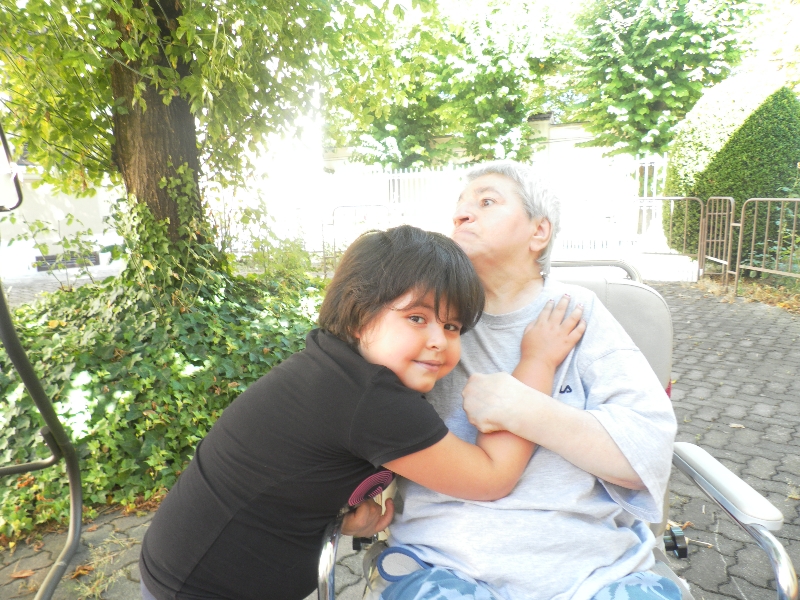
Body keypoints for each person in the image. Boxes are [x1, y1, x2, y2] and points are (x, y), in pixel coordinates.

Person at [138, 225, 584, 600]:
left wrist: (335, 510)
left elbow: (294, 471)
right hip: (203, 588)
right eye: (417, 318)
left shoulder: (334, 365)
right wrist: (538, 360)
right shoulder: (369, 398)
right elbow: (491, 477)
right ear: (358, 315)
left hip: (185, 565)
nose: (439, 340)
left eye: (452, 326)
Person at [373, 162, 679, 600]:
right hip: (444, 565)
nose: (460, 215)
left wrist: (523, 409)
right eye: (459, 207)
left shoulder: (577, 312)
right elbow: (360, 411)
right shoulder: (421, 319)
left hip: (598, 572)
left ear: (539, 231)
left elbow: (646, 457)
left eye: (487, 201)